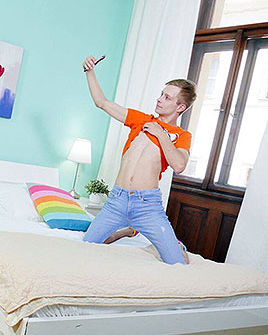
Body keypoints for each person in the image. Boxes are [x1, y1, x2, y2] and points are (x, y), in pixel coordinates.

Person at [81, 55, 196, 265]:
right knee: (86, 245)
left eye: (167, 97)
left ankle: (175, 244)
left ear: (180, 107)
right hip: (117, 201)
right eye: (161, 94)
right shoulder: (140, 120)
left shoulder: (181, 135)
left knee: (177, 263)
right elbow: (102, 102)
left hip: (147, 206)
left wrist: (161, 134)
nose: (159, 99)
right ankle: (126, 232)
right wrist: (90, 72)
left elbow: (179, 165)